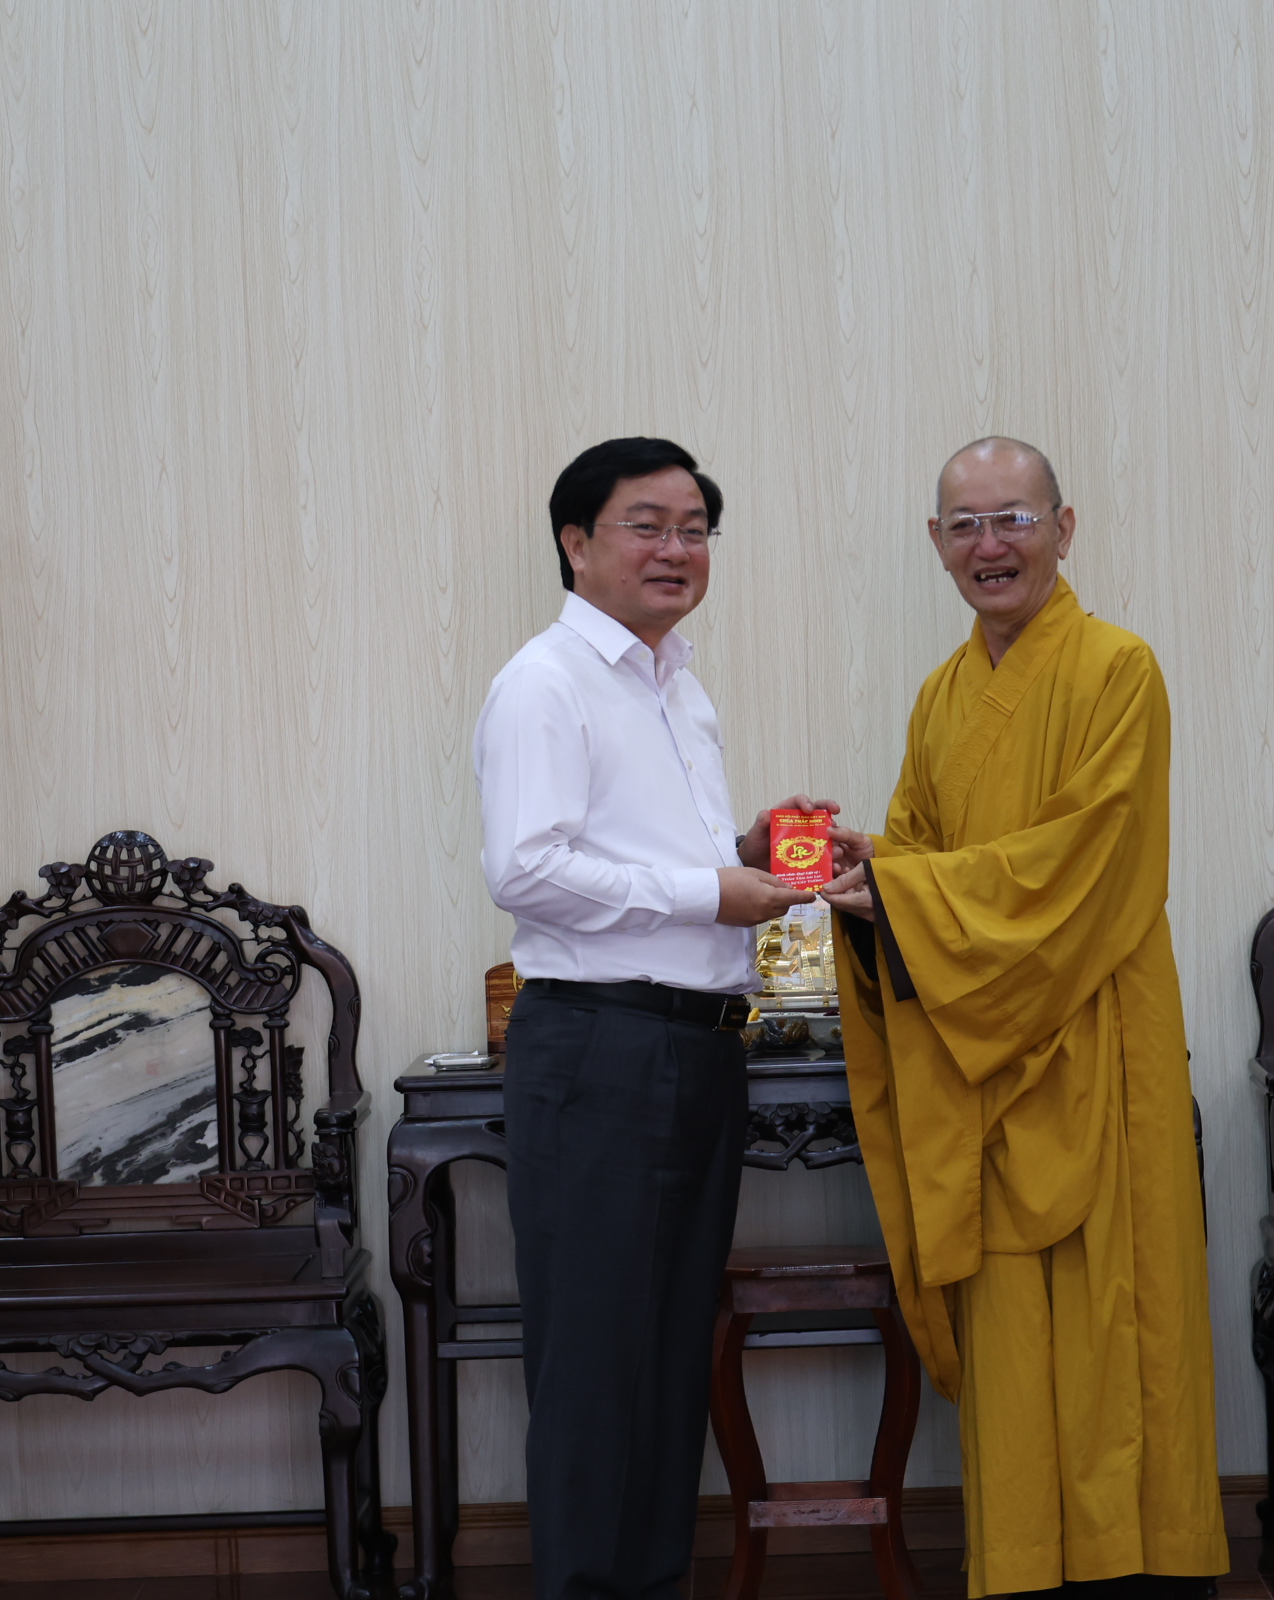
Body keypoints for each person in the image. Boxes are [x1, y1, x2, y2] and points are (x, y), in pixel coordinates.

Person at [815, 437, 1228, 1597]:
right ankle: (1026, 1566)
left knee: (1117, 1321)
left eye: (1013, 519)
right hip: (981, 1057)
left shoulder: (1119, 669)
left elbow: (1090, 860)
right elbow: (927, 854)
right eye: (965, 525)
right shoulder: (941, 698)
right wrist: (870, 868)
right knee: (1008, 1332)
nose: (990, 546)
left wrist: (911, 893)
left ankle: (1140, 1573)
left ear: (1064, 527)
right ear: (935, 544)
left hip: (1095, 1037)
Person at [472, 437, 851, 1599]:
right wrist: (706, 889)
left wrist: (741, 854)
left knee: (670, 1356)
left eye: (695, 528)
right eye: (647, 524)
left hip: (696, 1045)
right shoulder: (545, 681)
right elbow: (525, 869)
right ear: (576, 543)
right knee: (596, 1366)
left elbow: (645, 857)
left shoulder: (680, 687)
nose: (676, 548)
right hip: (600, 1046)